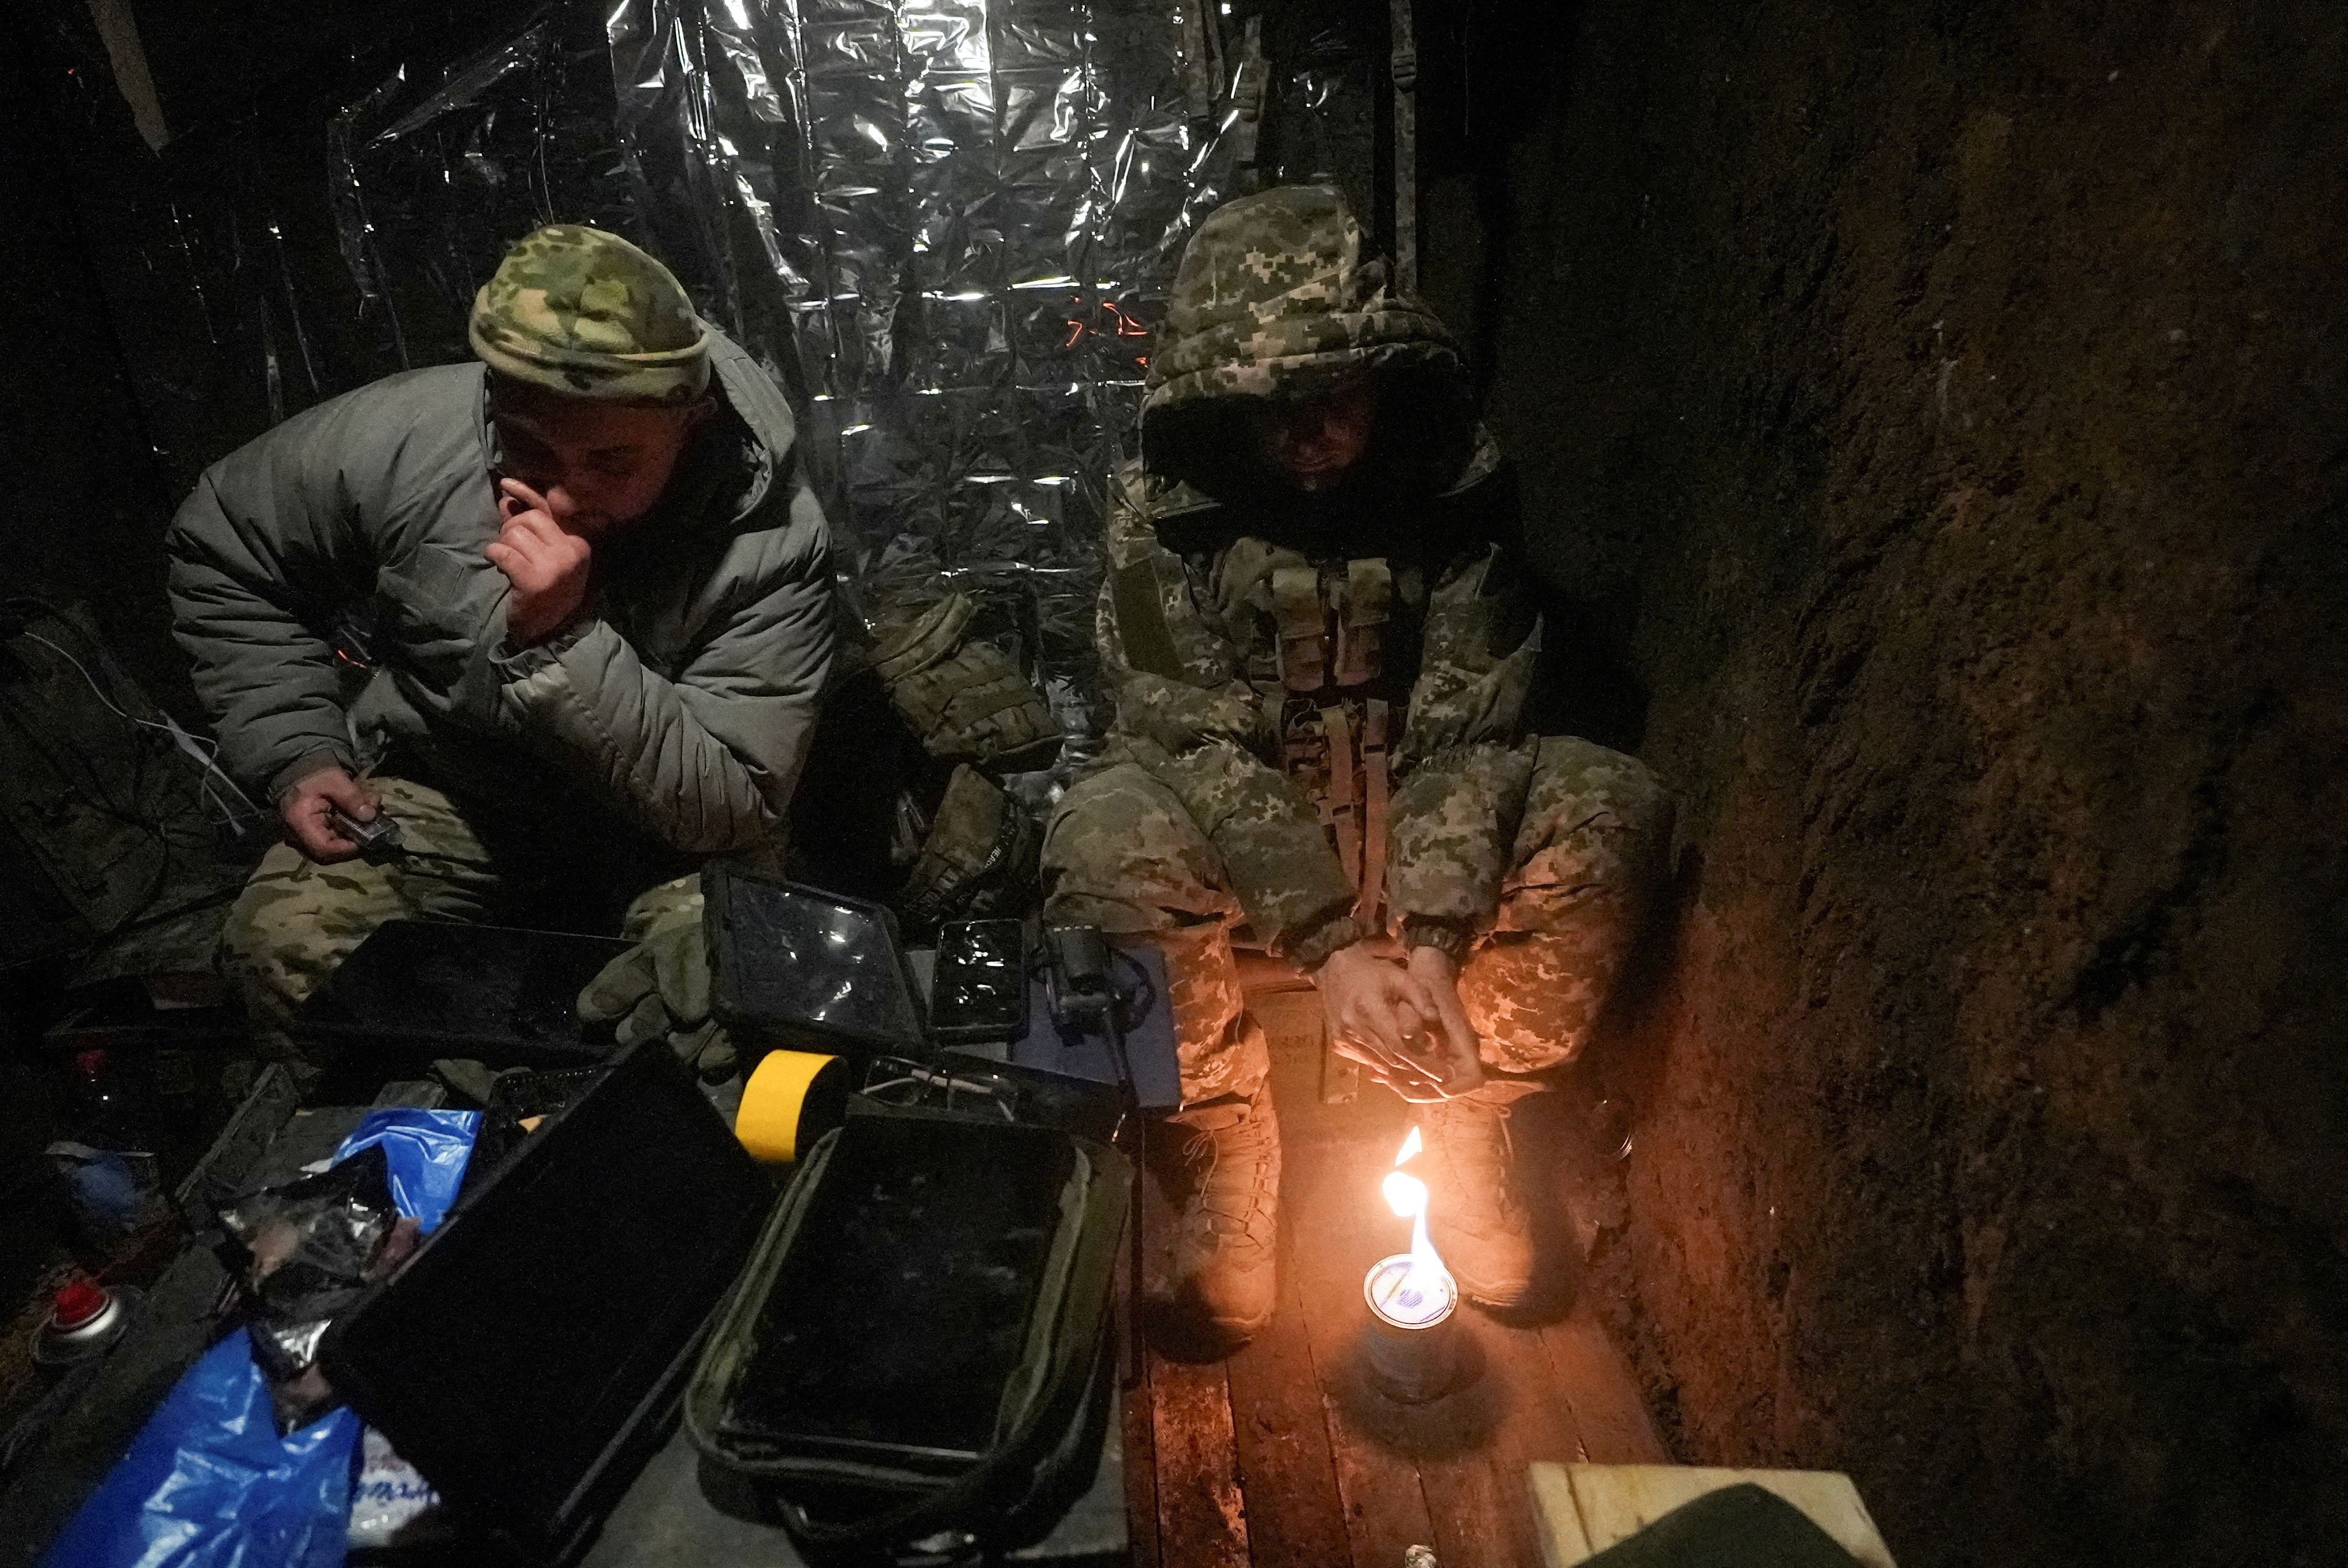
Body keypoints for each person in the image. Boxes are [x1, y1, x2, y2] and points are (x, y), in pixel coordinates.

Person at [1040, 186, 1670, 1348]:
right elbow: (1193, 740)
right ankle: (1231, 1140)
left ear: (1386, 376)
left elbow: (1471, 721)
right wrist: (1329, 944)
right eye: (1270, 404)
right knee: (1097, 845)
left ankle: (1462, 1111)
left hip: (1420, 818)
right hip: (1253, 835)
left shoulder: (1458, 491)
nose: (1306, 432)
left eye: (1335, 395)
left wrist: (1429, 937)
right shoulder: (1162, 521)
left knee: (1610, 809)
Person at [169, 224, 834, 1079]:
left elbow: (732, 807)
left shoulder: (772, 543)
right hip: (470, 790)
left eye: (612, 460)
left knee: (706, 1004)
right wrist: (296, 750)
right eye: (529, 445)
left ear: (690, 421)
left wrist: (563, 639)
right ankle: (400, 1181)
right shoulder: (407, 441)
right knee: (289, 949)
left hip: (672, 840)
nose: (561, 493)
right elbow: (225, 546)